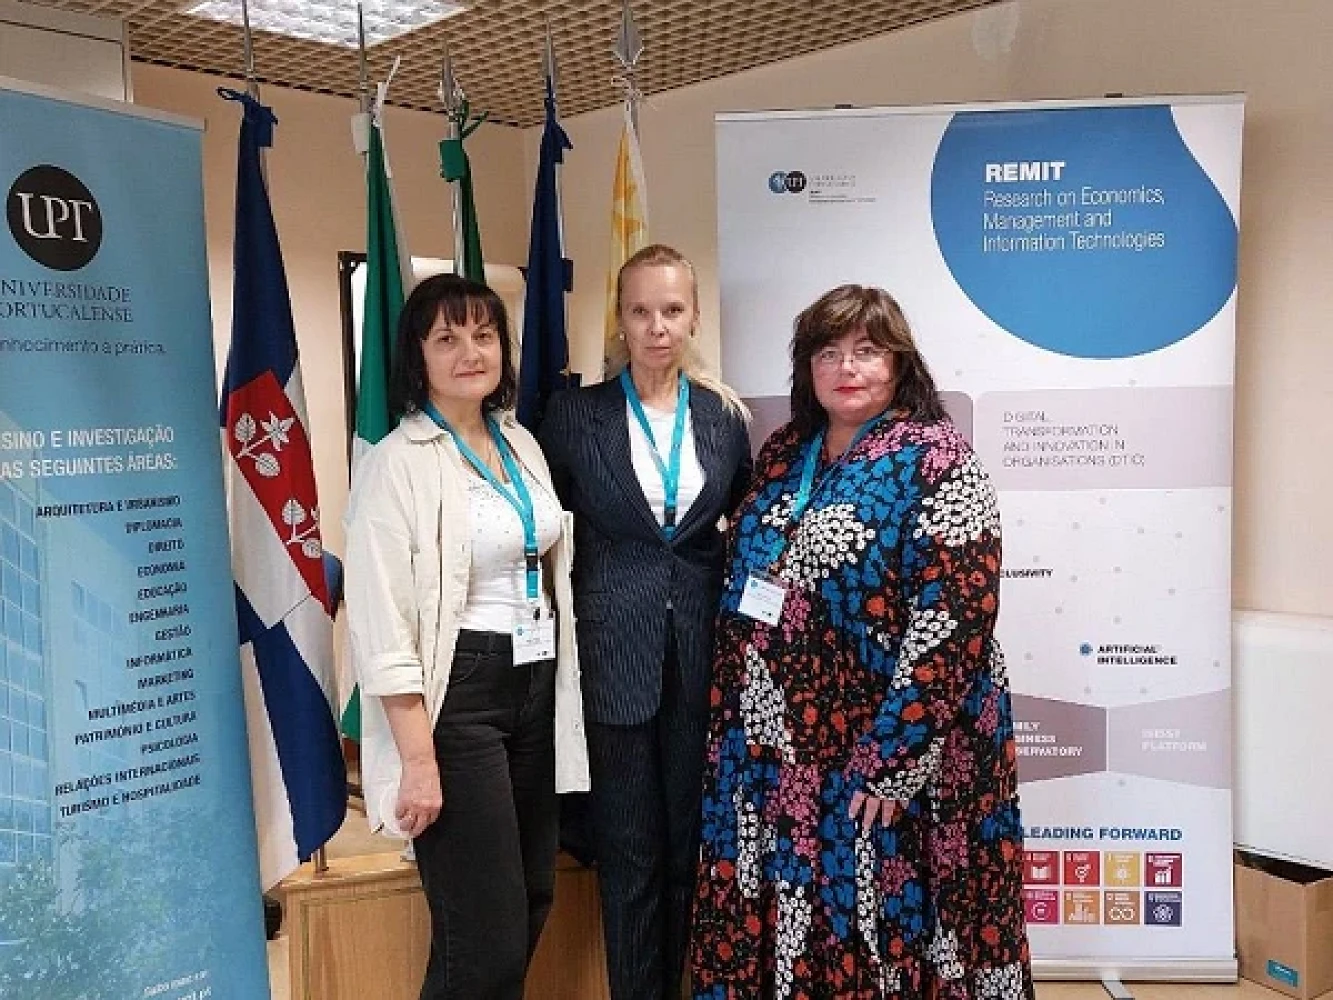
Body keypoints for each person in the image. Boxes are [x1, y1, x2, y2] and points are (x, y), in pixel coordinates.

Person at [690, 285, 1033, 1000]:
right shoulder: (785, 451)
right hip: (780, 751)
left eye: (866, 351)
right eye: (828, 352)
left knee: (884, 922)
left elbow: (956, 620)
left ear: (899, 362)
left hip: (884, 752)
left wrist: (892, 757)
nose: (846, 367)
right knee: (803, 924)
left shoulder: (938, 459)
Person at [345, 273, 589, 1000]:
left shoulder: (519, 443)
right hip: (459, 697)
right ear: (417, 356)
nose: (469, 352)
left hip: (533, 679)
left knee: (531, 898)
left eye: (483, 335)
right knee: (482, 931)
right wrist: (419, 761)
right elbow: (382, 625)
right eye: (446, 338)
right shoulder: (396, 463)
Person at [539, 245, 752, 1000]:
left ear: (693, 318)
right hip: (612, 659)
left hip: (700, 659)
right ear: (620, 320)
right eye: (640, 311)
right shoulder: (574, 416)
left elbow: (742, 525)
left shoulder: (725, 419)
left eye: (671, 310)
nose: (657, 327)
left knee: (688, 851)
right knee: (628, 857)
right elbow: (543, 525)